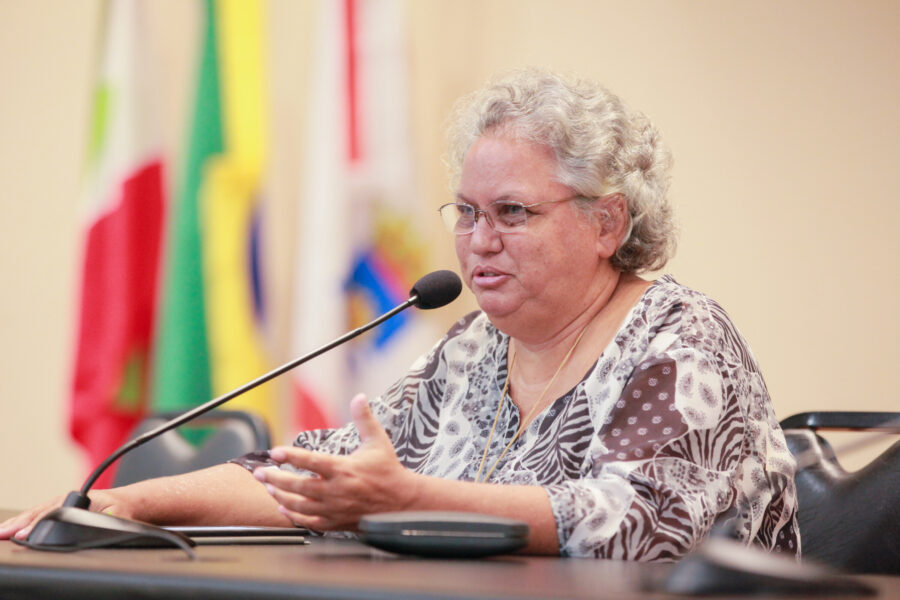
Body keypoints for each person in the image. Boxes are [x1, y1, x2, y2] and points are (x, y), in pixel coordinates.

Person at [1, 68, 799, 560]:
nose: (477, 242)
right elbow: (329, 471)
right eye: (466, 211)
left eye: (513, 213)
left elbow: (634, 524)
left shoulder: (678, 338)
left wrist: (406, 498)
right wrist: (117, 504)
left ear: (607, 224)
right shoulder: (476, 348)